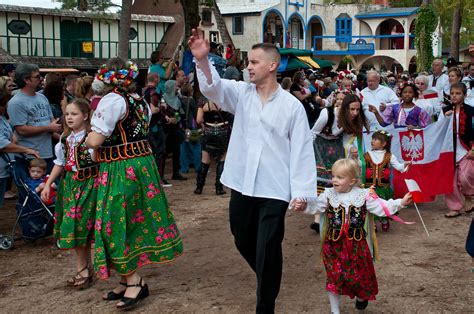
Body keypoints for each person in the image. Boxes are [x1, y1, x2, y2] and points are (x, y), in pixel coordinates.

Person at [189, 28, 317, 313]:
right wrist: (201, 60)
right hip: (242, 183)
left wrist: (302, 192)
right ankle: (267, 273)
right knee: (242, 237)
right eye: (247, 62)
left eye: (254, 62)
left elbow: (302, 150)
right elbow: (213, 88)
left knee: (269, 246)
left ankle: (265, 304)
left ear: (272, 65)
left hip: (274, 188)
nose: (248, 66)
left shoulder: (292, 107)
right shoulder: (240, 94)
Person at [85, 58, 183, 309]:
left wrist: (83, 139)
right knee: (131, 221)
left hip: (120, 168)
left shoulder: (111, 101)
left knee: (114, 221)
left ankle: (135, 281)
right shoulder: (138, 100)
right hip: (141, 166)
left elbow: (95, 140)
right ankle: (126, 279)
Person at [294, 158, 413, 314]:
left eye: (340, 177)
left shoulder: (364, 196)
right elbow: (315, 206)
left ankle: (362, 297)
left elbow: (382, 207)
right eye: (333, 176)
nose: (334, 180)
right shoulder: (328, 195)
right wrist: (303, 206)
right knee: (334, 276)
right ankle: (334, 311)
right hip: (333, 246)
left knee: (359, 277)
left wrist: (401, 202)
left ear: (352, 181)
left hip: (357, 247)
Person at [41, 98, 98, 289]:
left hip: (89, 184)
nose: (69, 118)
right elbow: (60, 162)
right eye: (67, 114)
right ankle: (84, 268)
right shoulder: (64, 139)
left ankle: (86, 268)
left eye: (74, 114)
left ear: (85, 116)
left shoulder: (92, 137)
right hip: (71, 185)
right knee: (74, 227)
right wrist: (48, 183)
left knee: (83, 226)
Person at [7, 63, 62, 175]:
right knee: (32, 191)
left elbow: (50, 122)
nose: (40, 79)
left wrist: (63, 137)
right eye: (37, 76)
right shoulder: (16, 102)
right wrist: (48, 127)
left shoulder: (42, 97)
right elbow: (21, 130)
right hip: (29, 157)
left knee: (50, 189)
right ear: (26, 80)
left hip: (47, 153)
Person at [363, 130, 411, 231]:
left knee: (384, 204)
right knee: (371, 205)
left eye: (376, 139)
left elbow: (399, 167)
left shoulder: (390, 156)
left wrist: (405, 165)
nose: (372, 141)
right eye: (372, 139)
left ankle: (385, 220)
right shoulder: (366, 155)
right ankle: (373, 223)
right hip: (370, 188)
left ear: (384, 143)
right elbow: (359, 165)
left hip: (384, 188)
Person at [439, 83, 474, 218]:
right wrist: (446, 118)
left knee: (466, 176)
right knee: (451, 181)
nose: (454, 96)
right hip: (449, 150)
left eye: (458, 93)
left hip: (466, 149)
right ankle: (455, 207)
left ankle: (469, 196)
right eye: (452, 93)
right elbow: (439, 130)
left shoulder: (471, 111)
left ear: (464, 95)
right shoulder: (445, 110)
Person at [0, 89, 39, 206]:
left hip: (3, 170)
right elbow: (2, 144)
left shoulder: (2, 118)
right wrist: (27, 150)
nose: (4, 107)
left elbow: (10, 137)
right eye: (2, 104)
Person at [194, 99, 232, 195]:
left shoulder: (203, 102)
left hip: (208, 133)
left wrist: (204, 122)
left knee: (205, 161)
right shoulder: (225, 100)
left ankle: (199, 187)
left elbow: (199, 119)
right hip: (223, 133)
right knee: (221, 160)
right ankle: (219, 188)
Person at [162, 79, 187, 181]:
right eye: (175, 86)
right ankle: (161, 174)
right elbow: (161, 112)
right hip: (165, 128)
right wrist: (168, 119)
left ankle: (176, 172)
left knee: (177, 150)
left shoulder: (177, 99)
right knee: (164, 152)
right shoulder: (163, 98)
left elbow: (181, 113)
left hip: (176, 128)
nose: (177, 88)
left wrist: (177, 119)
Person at [180, 83, 201, 174]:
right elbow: (197, 114)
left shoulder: (180, 101)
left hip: (183, 127)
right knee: (196, 146)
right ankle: (198, 167)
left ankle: (184, 168)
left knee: (183, 147)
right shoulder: (191, 101)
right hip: (192, 127)